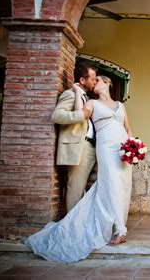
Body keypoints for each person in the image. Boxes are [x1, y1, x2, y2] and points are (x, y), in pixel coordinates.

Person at [25, 75, 134, 262]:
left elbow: (128, 129)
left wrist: (134, 146)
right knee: (112, 184)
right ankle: (120, 231)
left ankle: (117, 225)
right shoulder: (91, 102)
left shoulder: (120, 106)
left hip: (124, 149)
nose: (95, 83)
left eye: (98, 80)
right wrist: (76, 92)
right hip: (106, 148)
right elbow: (79, 115)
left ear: (107, 83)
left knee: (123, 185)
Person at [51, 62, 98, 212]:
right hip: (80, 146)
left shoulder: (85, 97)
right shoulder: (70, 94)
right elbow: (57, 115)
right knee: (76, 188)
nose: (95, 81)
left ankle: (81, 221)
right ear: (82, 80)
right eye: (93, 79)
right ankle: (71, 227)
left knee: (90, 185)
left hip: (91, 146)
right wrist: (81, 115)